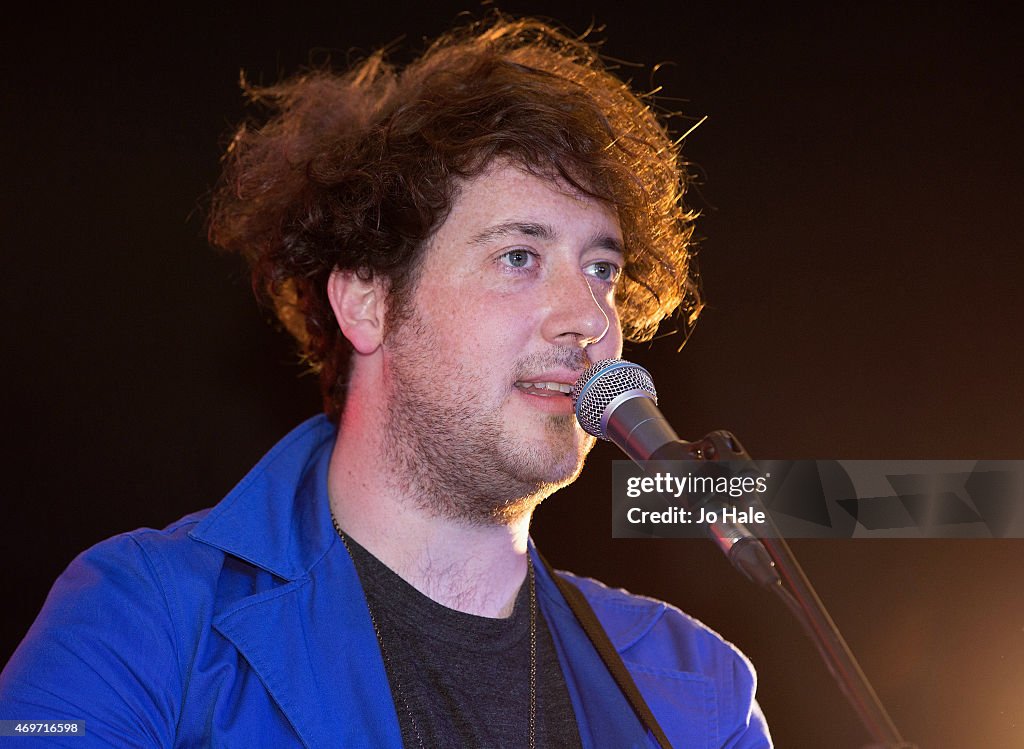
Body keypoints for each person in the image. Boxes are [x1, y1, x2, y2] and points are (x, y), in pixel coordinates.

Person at [0, 15, 771, 748]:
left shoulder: (697, 687)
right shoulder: (143, 615)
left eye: (601, 268)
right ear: (365, 301)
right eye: (519, 257)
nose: (587, 319)